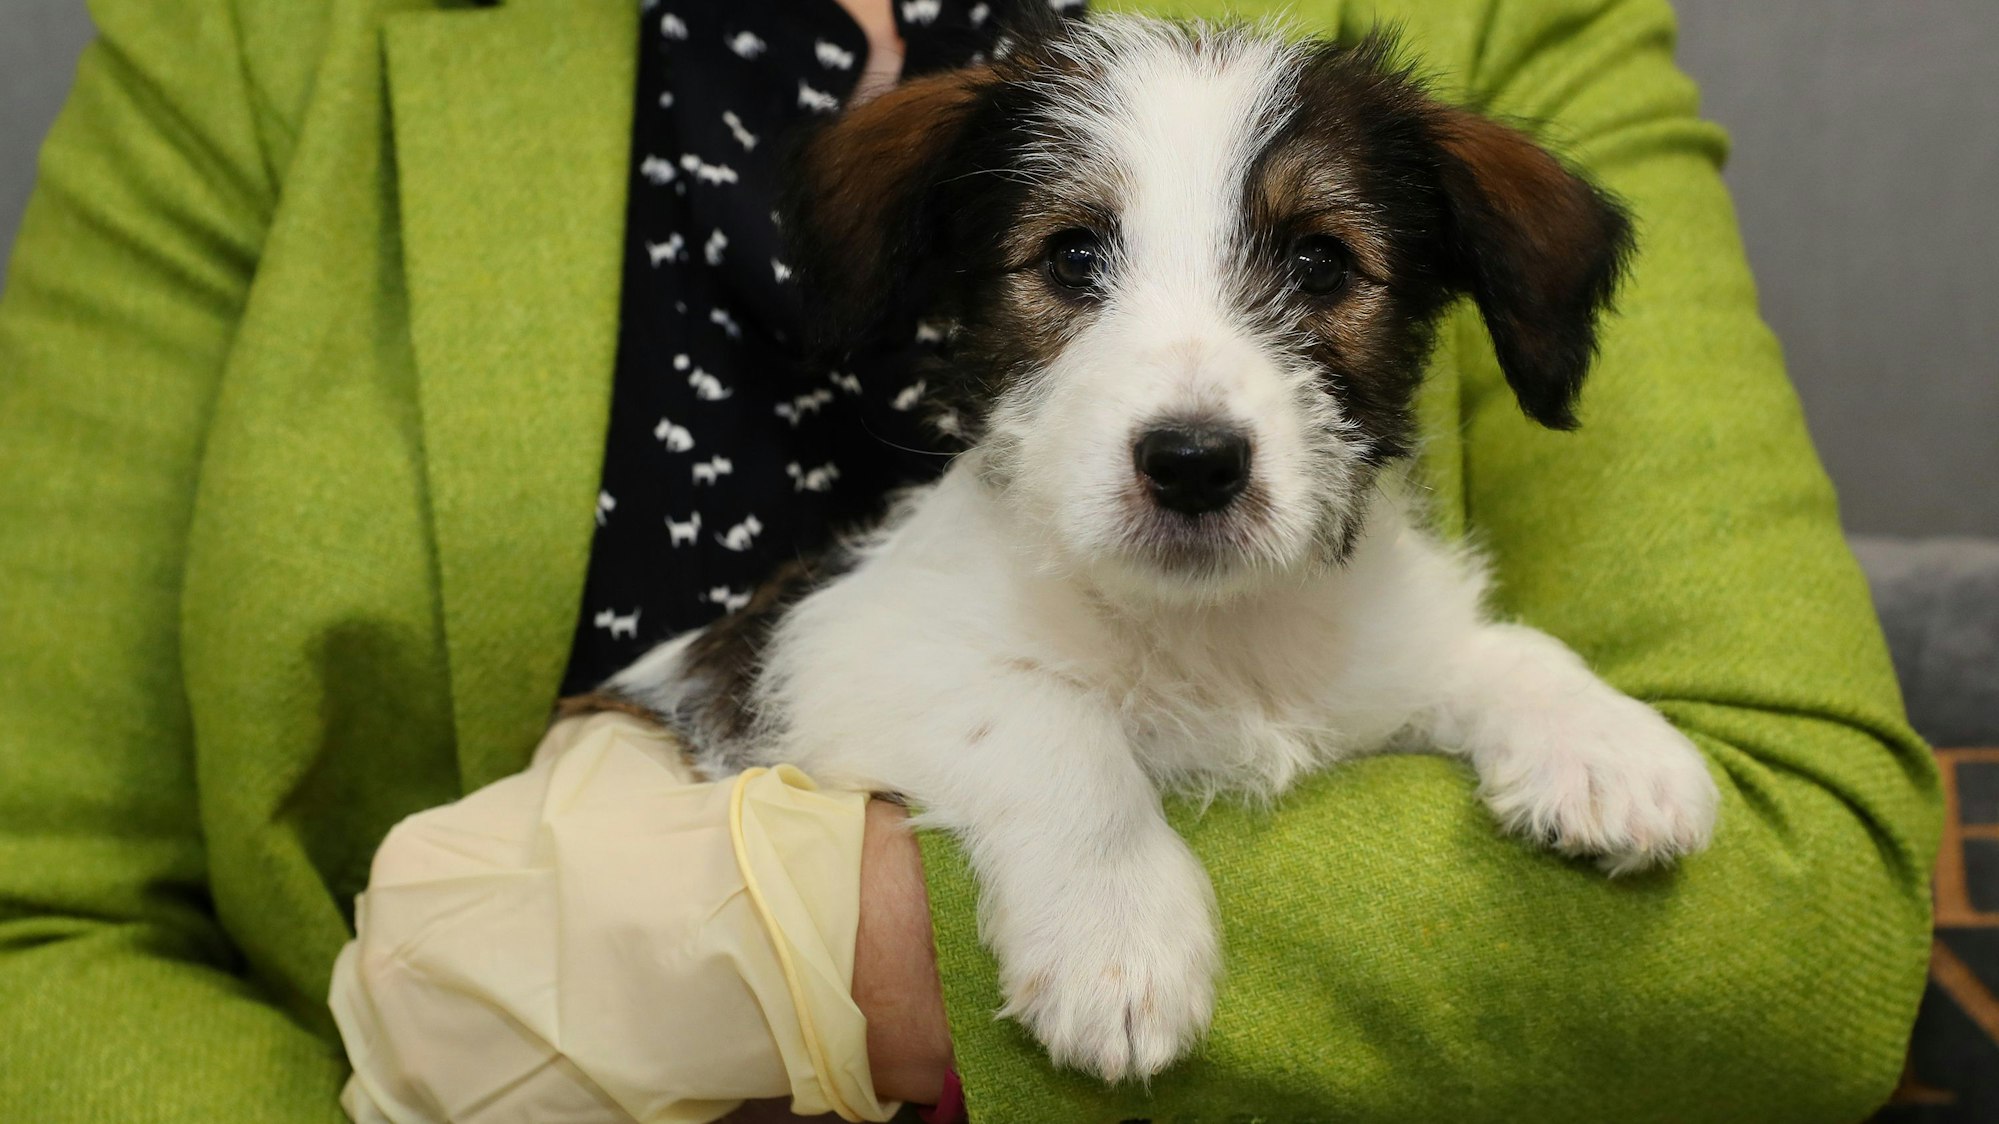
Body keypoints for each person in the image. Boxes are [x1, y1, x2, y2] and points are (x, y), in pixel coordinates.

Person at [0, 0, 1939, 1118]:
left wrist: (1534, 694)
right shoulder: (258, 42)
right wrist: (1073, 832)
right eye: (1074, 261)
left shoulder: (1497, 42)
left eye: (1320, 270)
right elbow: (861, 672)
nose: (1192, 398)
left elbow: (1796, 906)